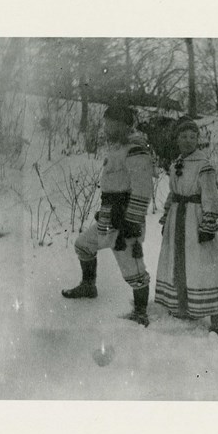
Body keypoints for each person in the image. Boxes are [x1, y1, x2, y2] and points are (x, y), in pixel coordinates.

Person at [62, 104, 154, 327]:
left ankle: (141, 312)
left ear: (124, 125)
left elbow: (142, 189)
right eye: (106, 123)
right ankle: (88, 285)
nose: (106, 127)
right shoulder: (116, 149)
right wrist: (104, 212)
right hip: (108, 218)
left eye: (110, 123)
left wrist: (132, 222)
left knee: (134, 269)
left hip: (125, 221)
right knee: (83, 245)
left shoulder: (136, 150)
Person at [155, 116, 218, 338]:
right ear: (177, 139)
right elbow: (172, 193)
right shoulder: (176, 162)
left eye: (192, 136)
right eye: (183, 136)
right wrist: (167, 216)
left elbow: (211, 198)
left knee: (202, 264)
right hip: (178, 217)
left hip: (195, 219)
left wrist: (208, 224)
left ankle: (215, 315)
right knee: (178, 261)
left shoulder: (203, 165)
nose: (188, 140)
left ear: (198, 139)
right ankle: (183, 305)